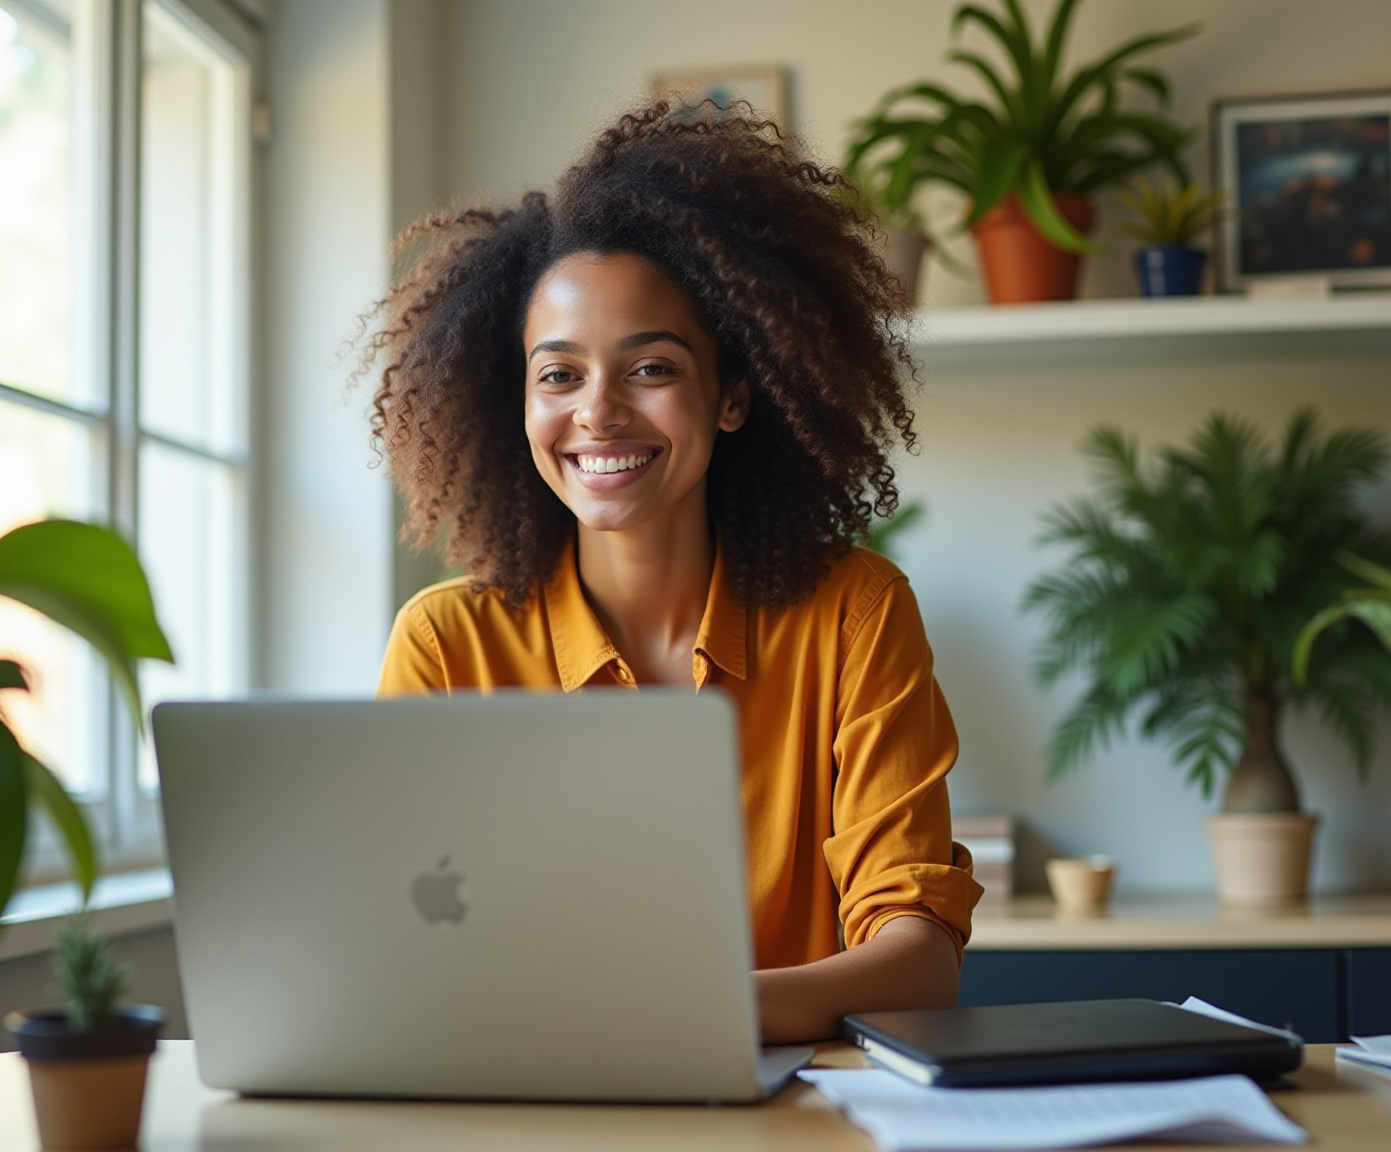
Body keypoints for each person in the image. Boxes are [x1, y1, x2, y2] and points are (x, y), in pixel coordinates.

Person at [363, 102, 981, 1044]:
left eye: (650, 368)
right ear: (516, 404)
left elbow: (920, 959)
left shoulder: (854, 613)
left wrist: (679, 1018)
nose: (599, 414)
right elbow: (391, 947)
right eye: (558, 376)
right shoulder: (447, 647)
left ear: (732, 395)